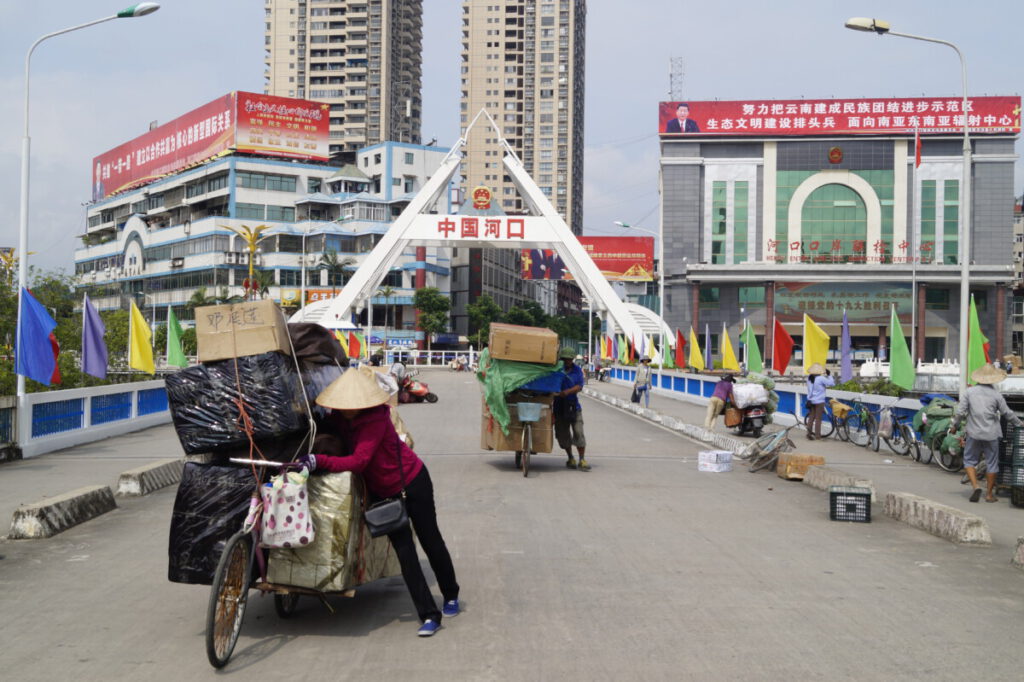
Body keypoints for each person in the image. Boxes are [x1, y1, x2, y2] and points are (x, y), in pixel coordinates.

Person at [298, 370, 460, 637]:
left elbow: (359, 461)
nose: (345, 410)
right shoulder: (340, 418)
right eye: (342, 406)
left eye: (351, 406)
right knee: (405, 553)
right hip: (384, 493)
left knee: (431, 541)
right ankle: (430, 615)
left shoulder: (375, 419)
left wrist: (320, 461)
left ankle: (451, 594)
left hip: (413, 482)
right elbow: (323, 426)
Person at [950, 363, 1022, 503]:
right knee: (992, 462)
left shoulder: (969, 392)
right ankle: (989, 495)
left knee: (969, 460)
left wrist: (954, 426)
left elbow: (960, 412)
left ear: (978, 378)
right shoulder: (996, 395)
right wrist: (1020, 424)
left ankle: (976, 486)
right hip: (991, 434)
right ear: (993, 379)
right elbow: (1007, 413)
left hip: (973, 433)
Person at [554, 347, 589, 471]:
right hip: (558, 406)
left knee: (579, 432)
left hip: (573, 406)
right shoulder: (556, 369)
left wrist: (567, 392)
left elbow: (579, 386)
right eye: (565, 359)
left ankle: (582, 459)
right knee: (563, 435)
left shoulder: (577, 370)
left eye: (569, 359)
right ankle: (570, 457)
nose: (567, 361)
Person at [805, 363, 835, 440]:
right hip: (819, 401)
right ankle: (817, 436)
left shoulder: (809, 378)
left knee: (811, 417)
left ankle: (809, 434)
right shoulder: (821, 378)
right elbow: (831, 383)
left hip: (811, 400)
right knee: (818, 418)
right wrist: (829, 375)